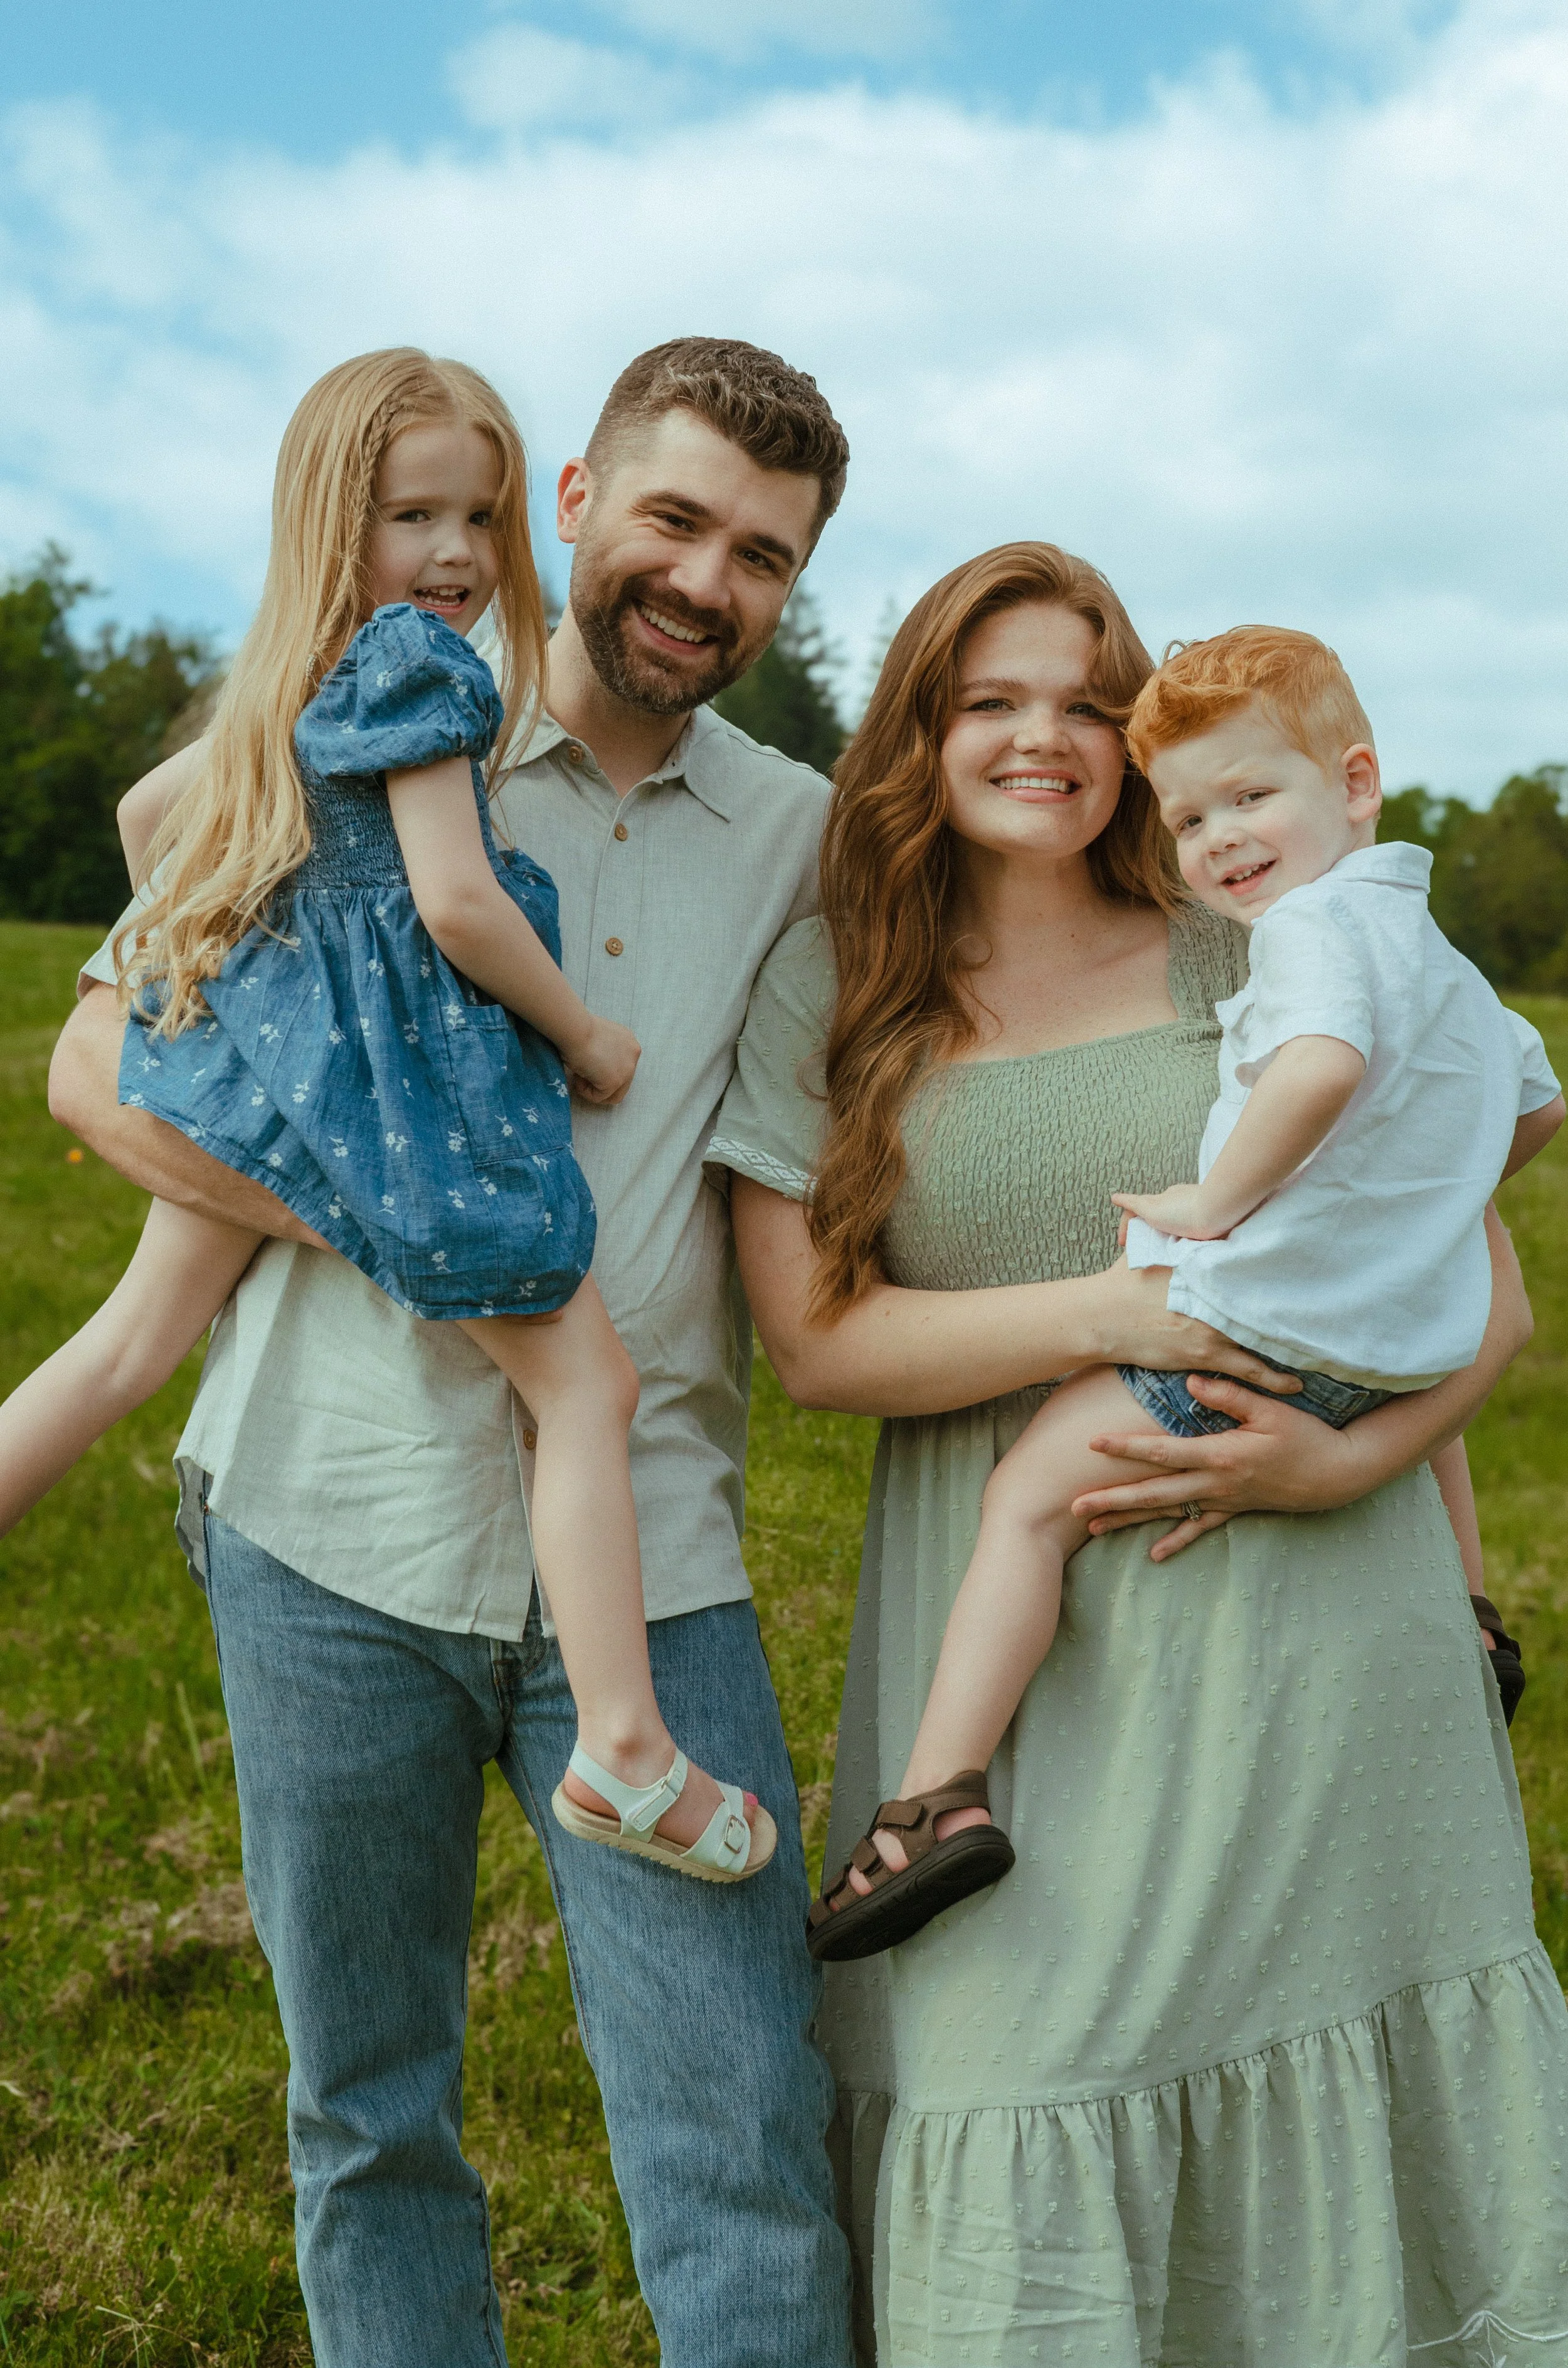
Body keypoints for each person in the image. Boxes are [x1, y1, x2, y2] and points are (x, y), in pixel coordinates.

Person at [48, 337, 856, 2367]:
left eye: (763, 555)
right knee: (366, 2110)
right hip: (332, 1521)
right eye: (673, 520)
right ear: (573, 500)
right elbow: (91, 1061)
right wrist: (401, 1227)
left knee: (746, 2131)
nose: (706, 580)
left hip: (652, 1559)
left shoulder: (801, 838)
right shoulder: (367, 728)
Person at [712, 541, 1568, 2362]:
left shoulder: (1270, 938)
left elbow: (1474, 1289)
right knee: (1025, 2069)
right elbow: (811, 1347)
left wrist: (1347, 1469)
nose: (1045, 740)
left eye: (1087, 706)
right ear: (920, 730)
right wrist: (1113, 1317)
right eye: (991, 700)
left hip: (1316, 1624)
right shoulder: (834, 986)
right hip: (1017, 1647)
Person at [5, 348, 772, 1884]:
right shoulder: (427, 673)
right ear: (328, 524)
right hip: (407, 1097)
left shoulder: (299, 680)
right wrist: (583, 1034)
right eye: (411, 515)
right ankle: (623, 1749)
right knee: (590, 1393)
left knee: (127, 1345)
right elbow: (461, 904)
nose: (455, 556)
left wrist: (230, 936)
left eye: (476, 519)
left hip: (268, 1067)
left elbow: (151, 819)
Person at [806, 623, 1562, 1962]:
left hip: (1243, 1323)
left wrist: (1214, 1208)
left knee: (1029, 1504)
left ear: (1353, 780)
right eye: (1191, 814)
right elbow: (1533, 1097)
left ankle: (935, 1798)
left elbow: (1318, 1069)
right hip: (1383, 1340)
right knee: (1384, 1344)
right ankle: (1468, 1617)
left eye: (1247, 799)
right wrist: (1425, 1202)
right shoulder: (1420, 941)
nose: (1216, 839)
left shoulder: (1305, 936)